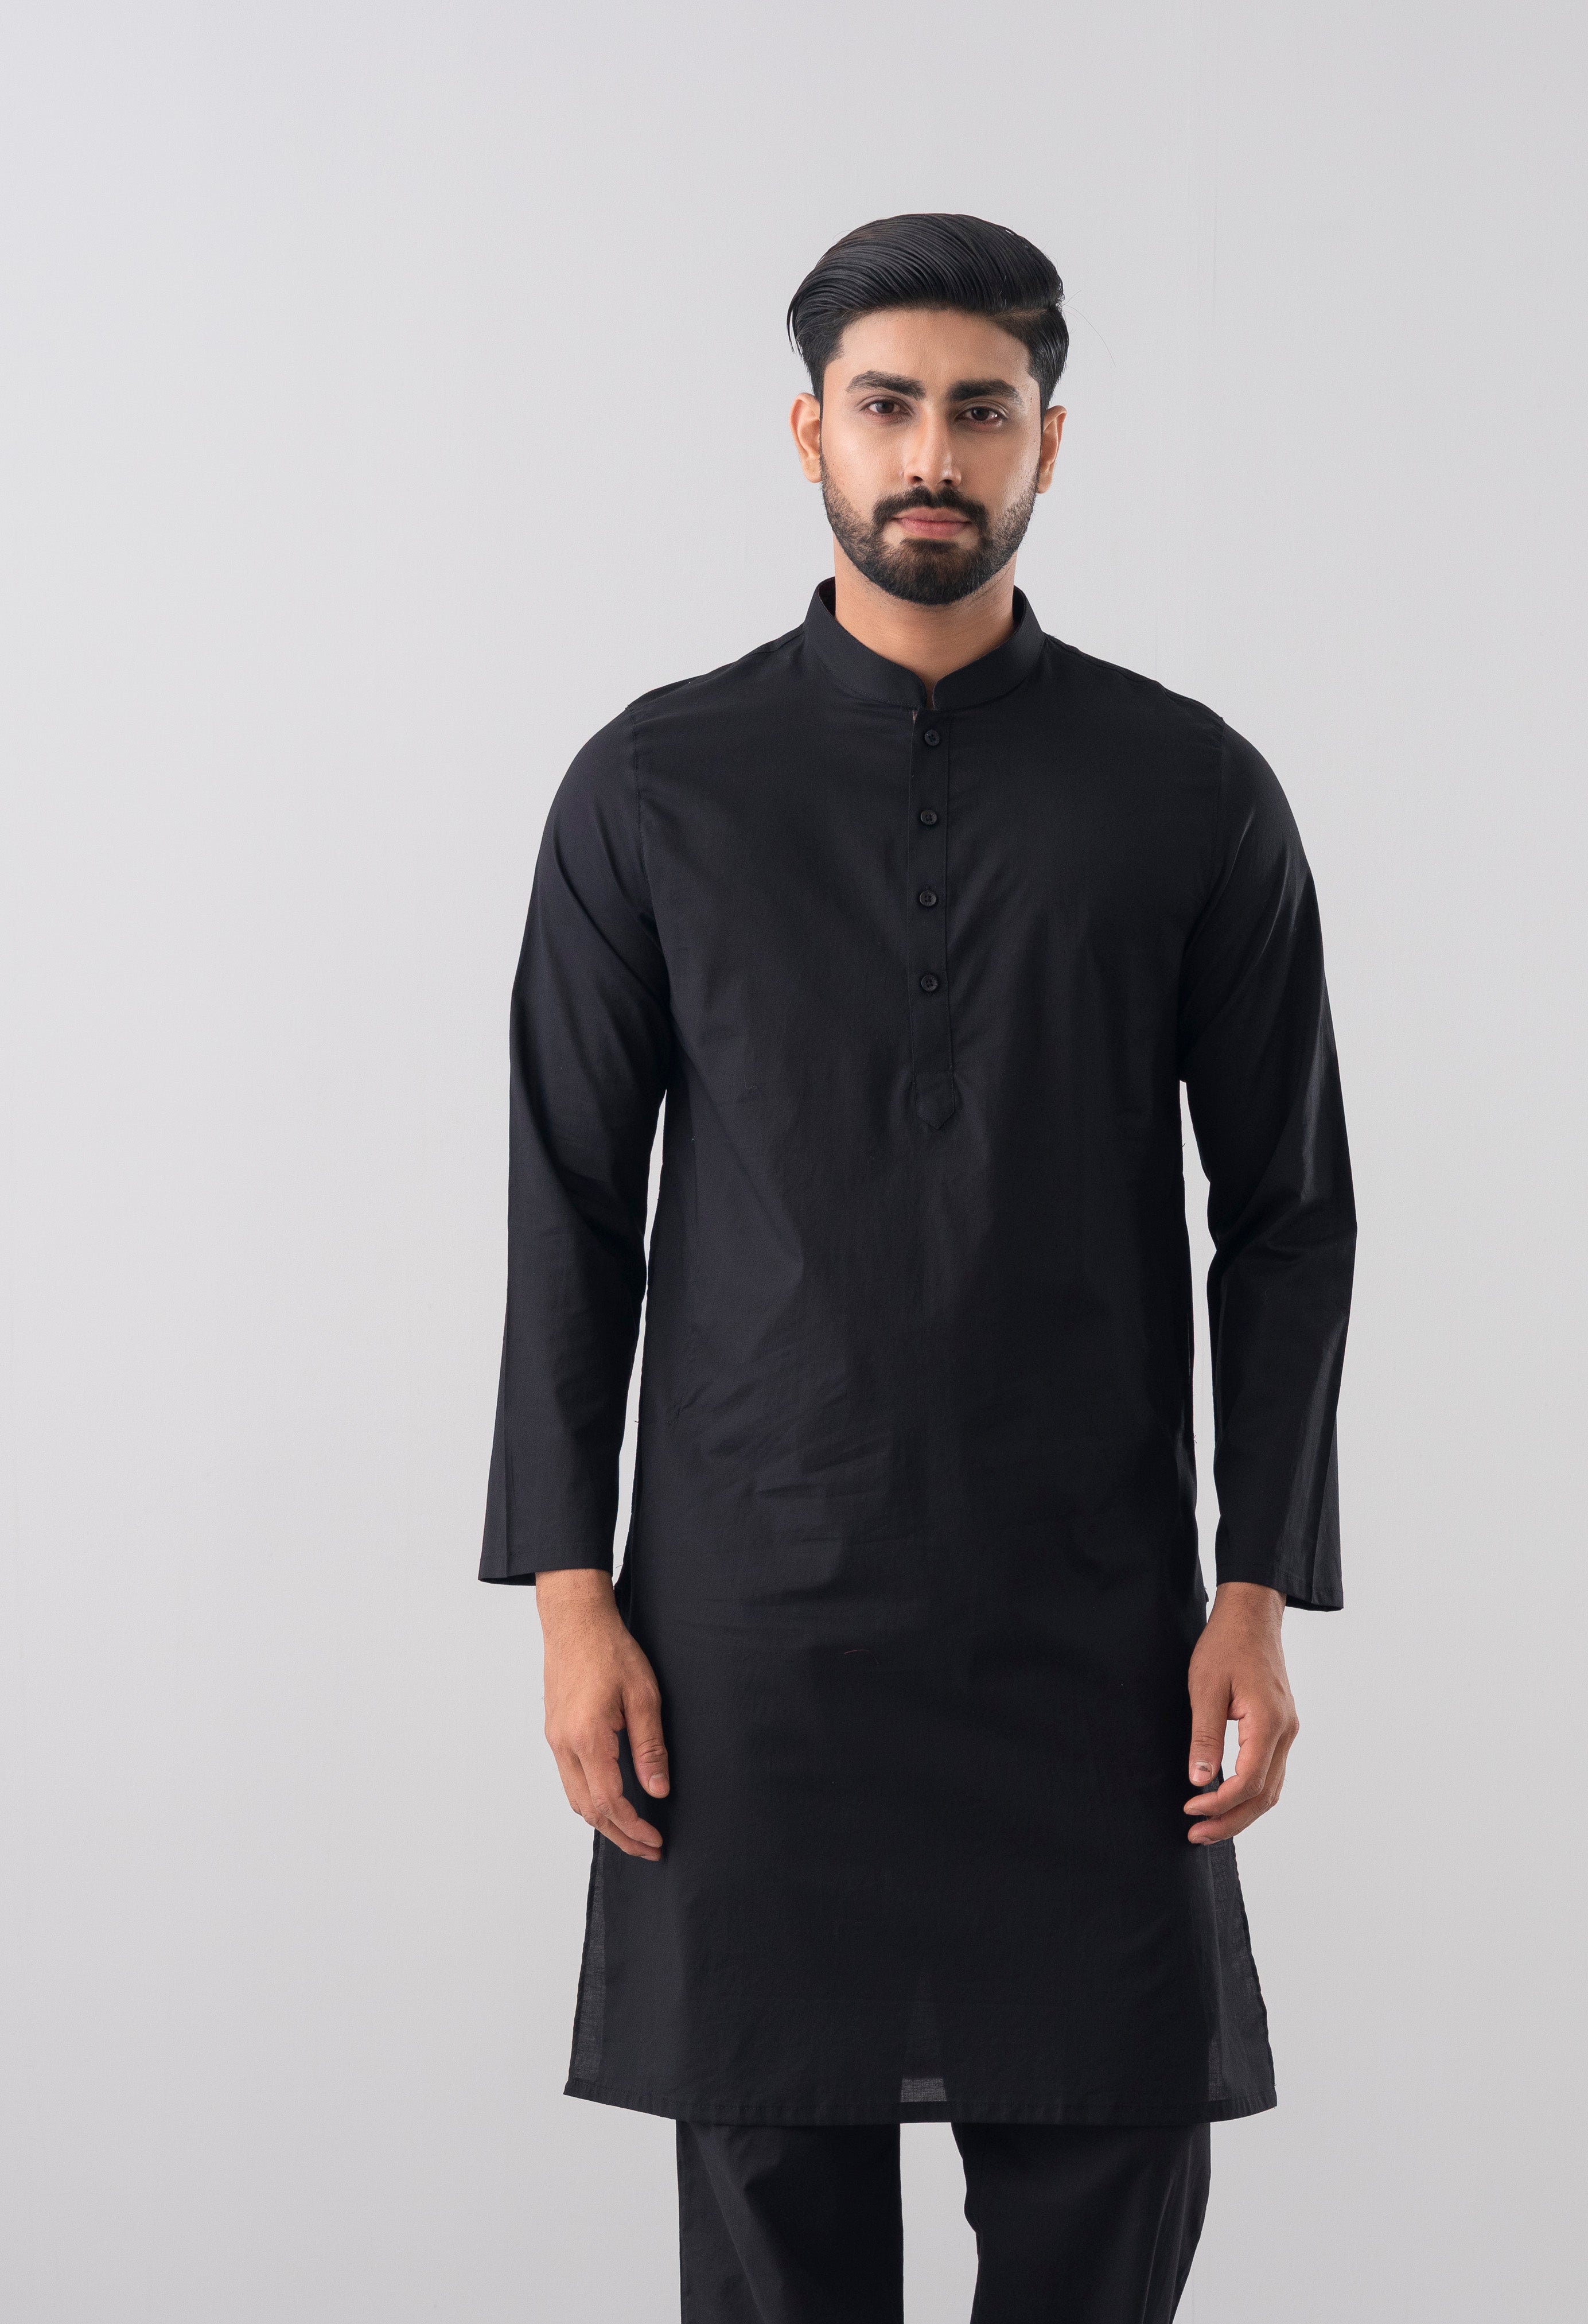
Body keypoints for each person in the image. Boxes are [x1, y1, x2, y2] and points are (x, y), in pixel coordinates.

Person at [480, 212, 1356, 2323]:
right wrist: (572, 1598)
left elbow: (1289, 1210)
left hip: (1097, 1632)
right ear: (812, 434)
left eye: (982, 408)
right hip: (750, 1636)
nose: (933, 453)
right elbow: (569, 1196)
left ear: (1052, 438)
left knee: (1107, 2198)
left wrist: (1257, 1589)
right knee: (773, 2231)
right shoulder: (655, 786)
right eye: (888, 407)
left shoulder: (1189, 788)